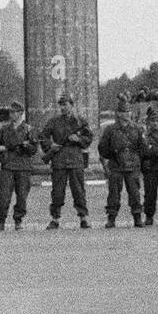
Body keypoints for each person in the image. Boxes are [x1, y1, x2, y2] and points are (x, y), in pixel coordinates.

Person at [39, 92, 93, 229]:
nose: (63, 107)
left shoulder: (80, 121)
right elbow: (43, 136)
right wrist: (51, 146)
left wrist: (79, 140)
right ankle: (55, 218)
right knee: (57, 192)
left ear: (72, 105)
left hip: (75, 160)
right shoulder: (53, 121)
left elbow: (89, 138)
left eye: (65, 104)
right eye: (61, 105)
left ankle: (83, 217)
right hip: (59, 160)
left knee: (79, 191)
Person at [98, 97, 146, 228]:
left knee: (135, 193)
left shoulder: (137, 129)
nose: (127, 114)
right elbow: (102, 148)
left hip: (132, 166)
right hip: (116, 166)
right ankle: (111, 218)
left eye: (128, 111)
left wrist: (136, 159)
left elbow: (143, 148)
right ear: (118, 113)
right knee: (113, 194)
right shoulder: (110, 129)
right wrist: (113, 156)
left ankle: (137, 217)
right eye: (124, 111)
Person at [0, 101, 37, 231]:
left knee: (22, 196)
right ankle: (1, 221)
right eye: (10, 112)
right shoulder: (4, 129)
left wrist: (26, 146)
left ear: (20, 113)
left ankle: (18, 220)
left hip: (23, 166)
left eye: (14, 112)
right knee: (4, 196)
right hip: (8, 166)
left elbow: (34, 149)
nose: (11, 114)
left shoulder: (29, 129)